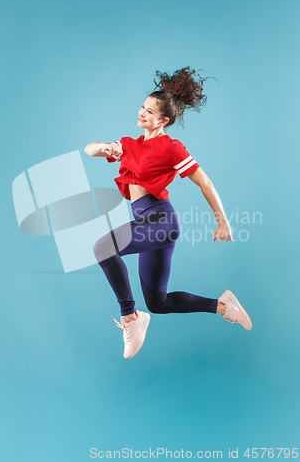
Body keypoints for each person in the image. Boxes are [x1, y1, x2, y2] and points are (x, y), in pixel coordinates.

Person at [84, 67, 252, 360]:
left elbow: (205, 182)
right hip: (145, 223)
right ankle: (224, 306)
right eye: (142, 107)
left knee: (102, 248)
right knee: (158, 304)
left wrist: (222, 221)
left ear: (163, 120)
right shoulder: (129, 144)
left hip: (161, 221)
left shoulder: (171, 148)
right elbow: (91, 149)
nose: (142, 114)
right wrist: (106, 147)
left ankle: (130, 317)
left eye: (149, 112)